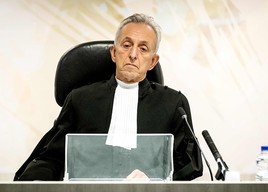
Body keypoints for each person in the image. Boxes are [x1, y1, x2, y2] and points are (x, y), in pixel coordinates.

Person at [14, 13, 203, 181]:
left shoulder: (173, 104)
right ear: (114, 52)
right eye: (127, 45)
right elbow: (52, 157)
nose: (133, 55)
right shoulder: (80, 100)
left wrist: (153, 178)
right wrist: (35, 181)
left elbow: (189, 162)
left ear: (153, 61)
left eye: (143, 49)